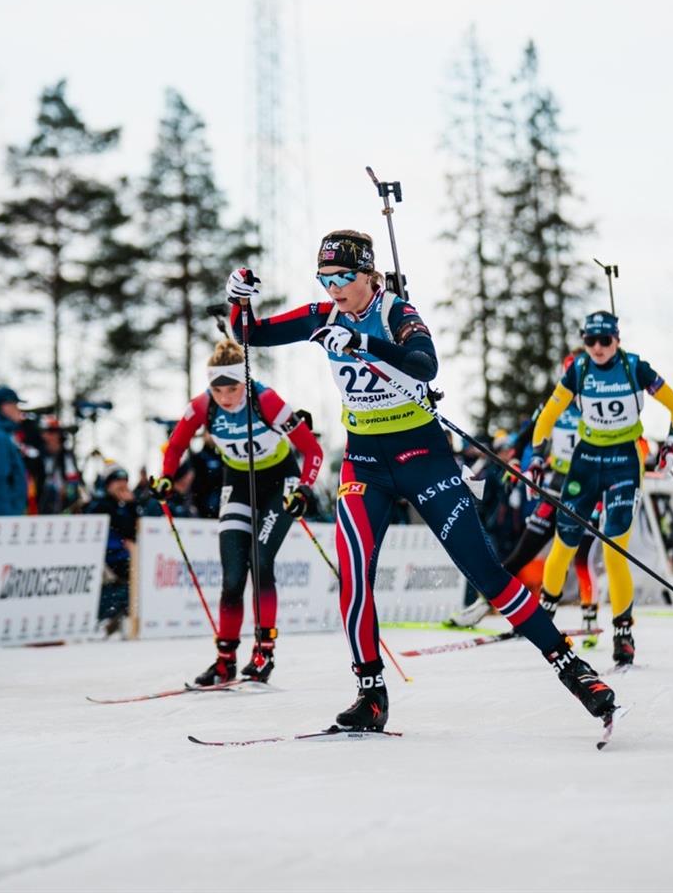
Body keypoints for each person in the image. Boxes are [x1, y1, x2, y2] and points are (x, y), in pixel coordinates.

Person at [226, 231, 618, 733]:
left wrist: (363, 342)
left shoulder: (398, 313)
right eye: (325, 280)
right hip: (365, 463)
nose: (334, 289)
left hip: (424, 459)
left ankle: (573, 669)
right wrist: (238, 300)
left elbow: (424, 363)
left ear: (369, 275)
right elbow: (249, 335)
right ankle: (371, 693)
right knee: (354, 575)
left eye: (343, 278)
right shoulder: (322, 315)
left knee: (486, 572)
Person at [149, 338, 323, 685]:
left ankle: (264, 652)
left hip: (279, 481)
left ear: (244, 382)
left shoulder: (266, 400)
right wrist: (166, 476)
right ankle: (224, 660)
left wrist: (304, 489)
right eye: (218, 390)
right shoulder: (202, 406)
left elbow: (312, 450)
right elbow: (176, 445)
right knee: (231, 577)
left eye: (232, 389)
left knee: (260, 560)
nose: (225, 398)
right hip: (239, 481)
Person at [527, 310, 673, 667]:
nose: (598, 348)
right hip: (586, 461)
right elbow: (546, 418)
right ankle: (543, 618)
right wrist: (537, 457)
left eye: (605, 340)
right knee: (564, 544)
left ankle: (623, 633)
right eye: (590, 341)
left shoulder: (635, 368)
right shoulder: (579, 370)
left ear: (617, 340)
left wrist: (671, 444)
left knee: (614, 551)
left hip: (624, 462)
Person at [449, 352, 601, 643]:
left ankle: (589, 619)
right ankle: (480, 607)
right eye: (569, 376)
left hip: (586, 493)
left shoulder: (597, 406)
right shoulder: (553, 405)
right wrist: (517, 462)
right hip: (554, 490)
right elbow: (522, 439)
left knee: (581, 558)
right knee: (520, 554)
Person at [85, 461, 138, 634]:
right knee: (123, 587)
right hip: (106, 559)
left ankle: (119, 617)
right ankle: (107, 617)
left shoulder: (125, 507)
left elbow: (134, 531)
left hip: (122, 558)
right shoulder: (100, 505)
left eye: (125, 481)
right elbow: (124, 528)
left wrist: (131, 505)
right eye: (117, 480)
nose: (122, 485)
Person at [0, 385, 28, 516]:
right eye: (16, 405)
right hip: (1, 515)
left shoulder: (0, 434)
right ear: (5, 406)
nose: (19, 410)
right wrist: (6, 517)